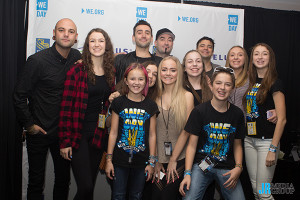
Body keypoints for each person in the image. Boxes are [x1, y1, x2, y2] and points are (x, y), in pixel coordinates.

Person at [13, 18, 81, 200]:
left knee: (63, 181)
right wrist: (29, 125)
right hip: (39, 132)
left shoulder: (78, 59)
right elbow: (19, 95)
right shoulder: (37, 61)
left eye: (71, 31)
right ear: (54, 33)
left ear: (76, 38)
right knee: (35, 182)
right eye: (61, 30)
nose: (66, 34)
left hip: (64, 134)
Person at [58, 28, 115, 200]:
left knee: (89, 188)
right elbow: (65, 108)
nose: (96, 44)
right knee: (85, 187)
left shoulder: (111, 72)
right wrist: (64, 141)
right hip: (78, 135)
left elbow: (106, 104)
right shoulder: (77, 71)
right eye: (92, 40)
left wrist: (112, 98)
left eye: (100, 41)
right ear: (87, 44)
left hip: (99, 135)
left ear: (107, 45)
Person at [179, 67, 246, 200]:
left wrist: (239, 167)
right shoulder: (199, 111)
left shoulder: (237, 114)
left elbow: (238, 144)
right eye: (219, 83)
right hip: (202, 165)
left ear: (232, 88)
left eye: (228, 84)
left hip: (227, 167)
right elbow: (191, 146)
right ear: (211, 85)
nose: (222, 88)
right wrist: (187, 173)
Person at [105, 63, 159, 200]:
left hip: (142, 162)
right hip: (119, 160)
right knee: (118, 195)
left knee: (136, 195)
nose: (136, 83)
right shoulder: (118, 103)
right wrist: (109, 160)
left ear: (146, 82)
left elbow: (152, 135)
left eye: (141, 79)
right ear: (126, 81)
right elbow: (113, 132)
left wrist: (151, 162)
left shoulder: (151, 106)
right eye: (132, 79)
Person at [244, 43, 286, 200]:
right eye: (256, 54)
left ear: (270, 58)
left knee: (264, 191)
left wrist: (272, 149)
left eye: (264, 54)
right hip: (249, 141)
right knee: (255, 189)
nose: (260, 57)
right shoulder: (252, 82)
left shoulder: (275, 83)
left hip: (267, 143)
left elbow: (281, 119)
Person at [151, 56, 194, 200]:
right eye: (164, 70)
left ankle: (265, 191)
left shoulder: (187, 96)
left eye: (172, 70)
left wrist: (173, 159)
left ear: (179, 73)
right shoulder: (153, 97)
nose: (168, 73)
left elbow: (186, 131)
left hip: (179, 157)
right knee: (155, 196)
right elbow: (151, 133)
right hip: (157, 157)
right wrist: (155, 159)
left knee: (168, 196)